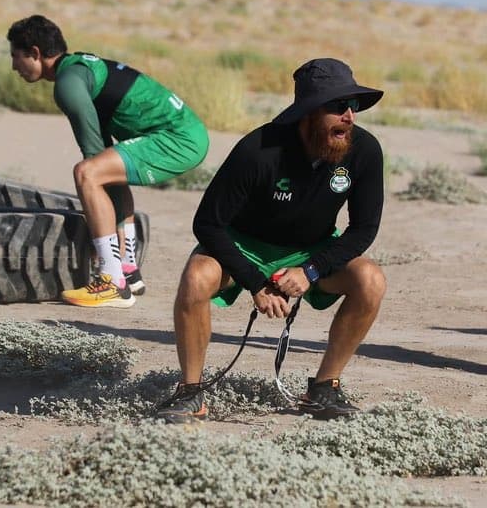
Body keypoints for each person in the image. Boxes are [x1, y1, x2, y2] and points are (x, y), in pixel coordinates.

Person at [156, 58, 387, 423]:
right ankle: (190, 392)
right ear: (308, 112)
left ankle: (324, 388)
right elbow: (208, 223)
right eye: (338, 105)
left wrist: (310, 271)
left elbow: (363, 230)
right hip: (245, 244)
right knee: (196, 276)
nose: (349, 115)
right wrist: (256, 282)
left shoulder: (365, 151)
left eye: (353, 105)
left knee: (371, 280)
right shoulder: (259, 150)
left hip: (310, 251)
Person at [6, 15, 209, 308]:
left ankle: (111, 280)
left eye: (15, 56)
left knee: (88, 174)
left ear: (35, 53)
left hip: (178, 139)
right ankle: (127, 270)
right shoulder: (79, 70)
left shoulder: (68, 84)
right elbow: (103, 161)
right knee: (103, 172)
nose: (14, 67)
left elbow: (92, 161)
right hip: (188, 134)